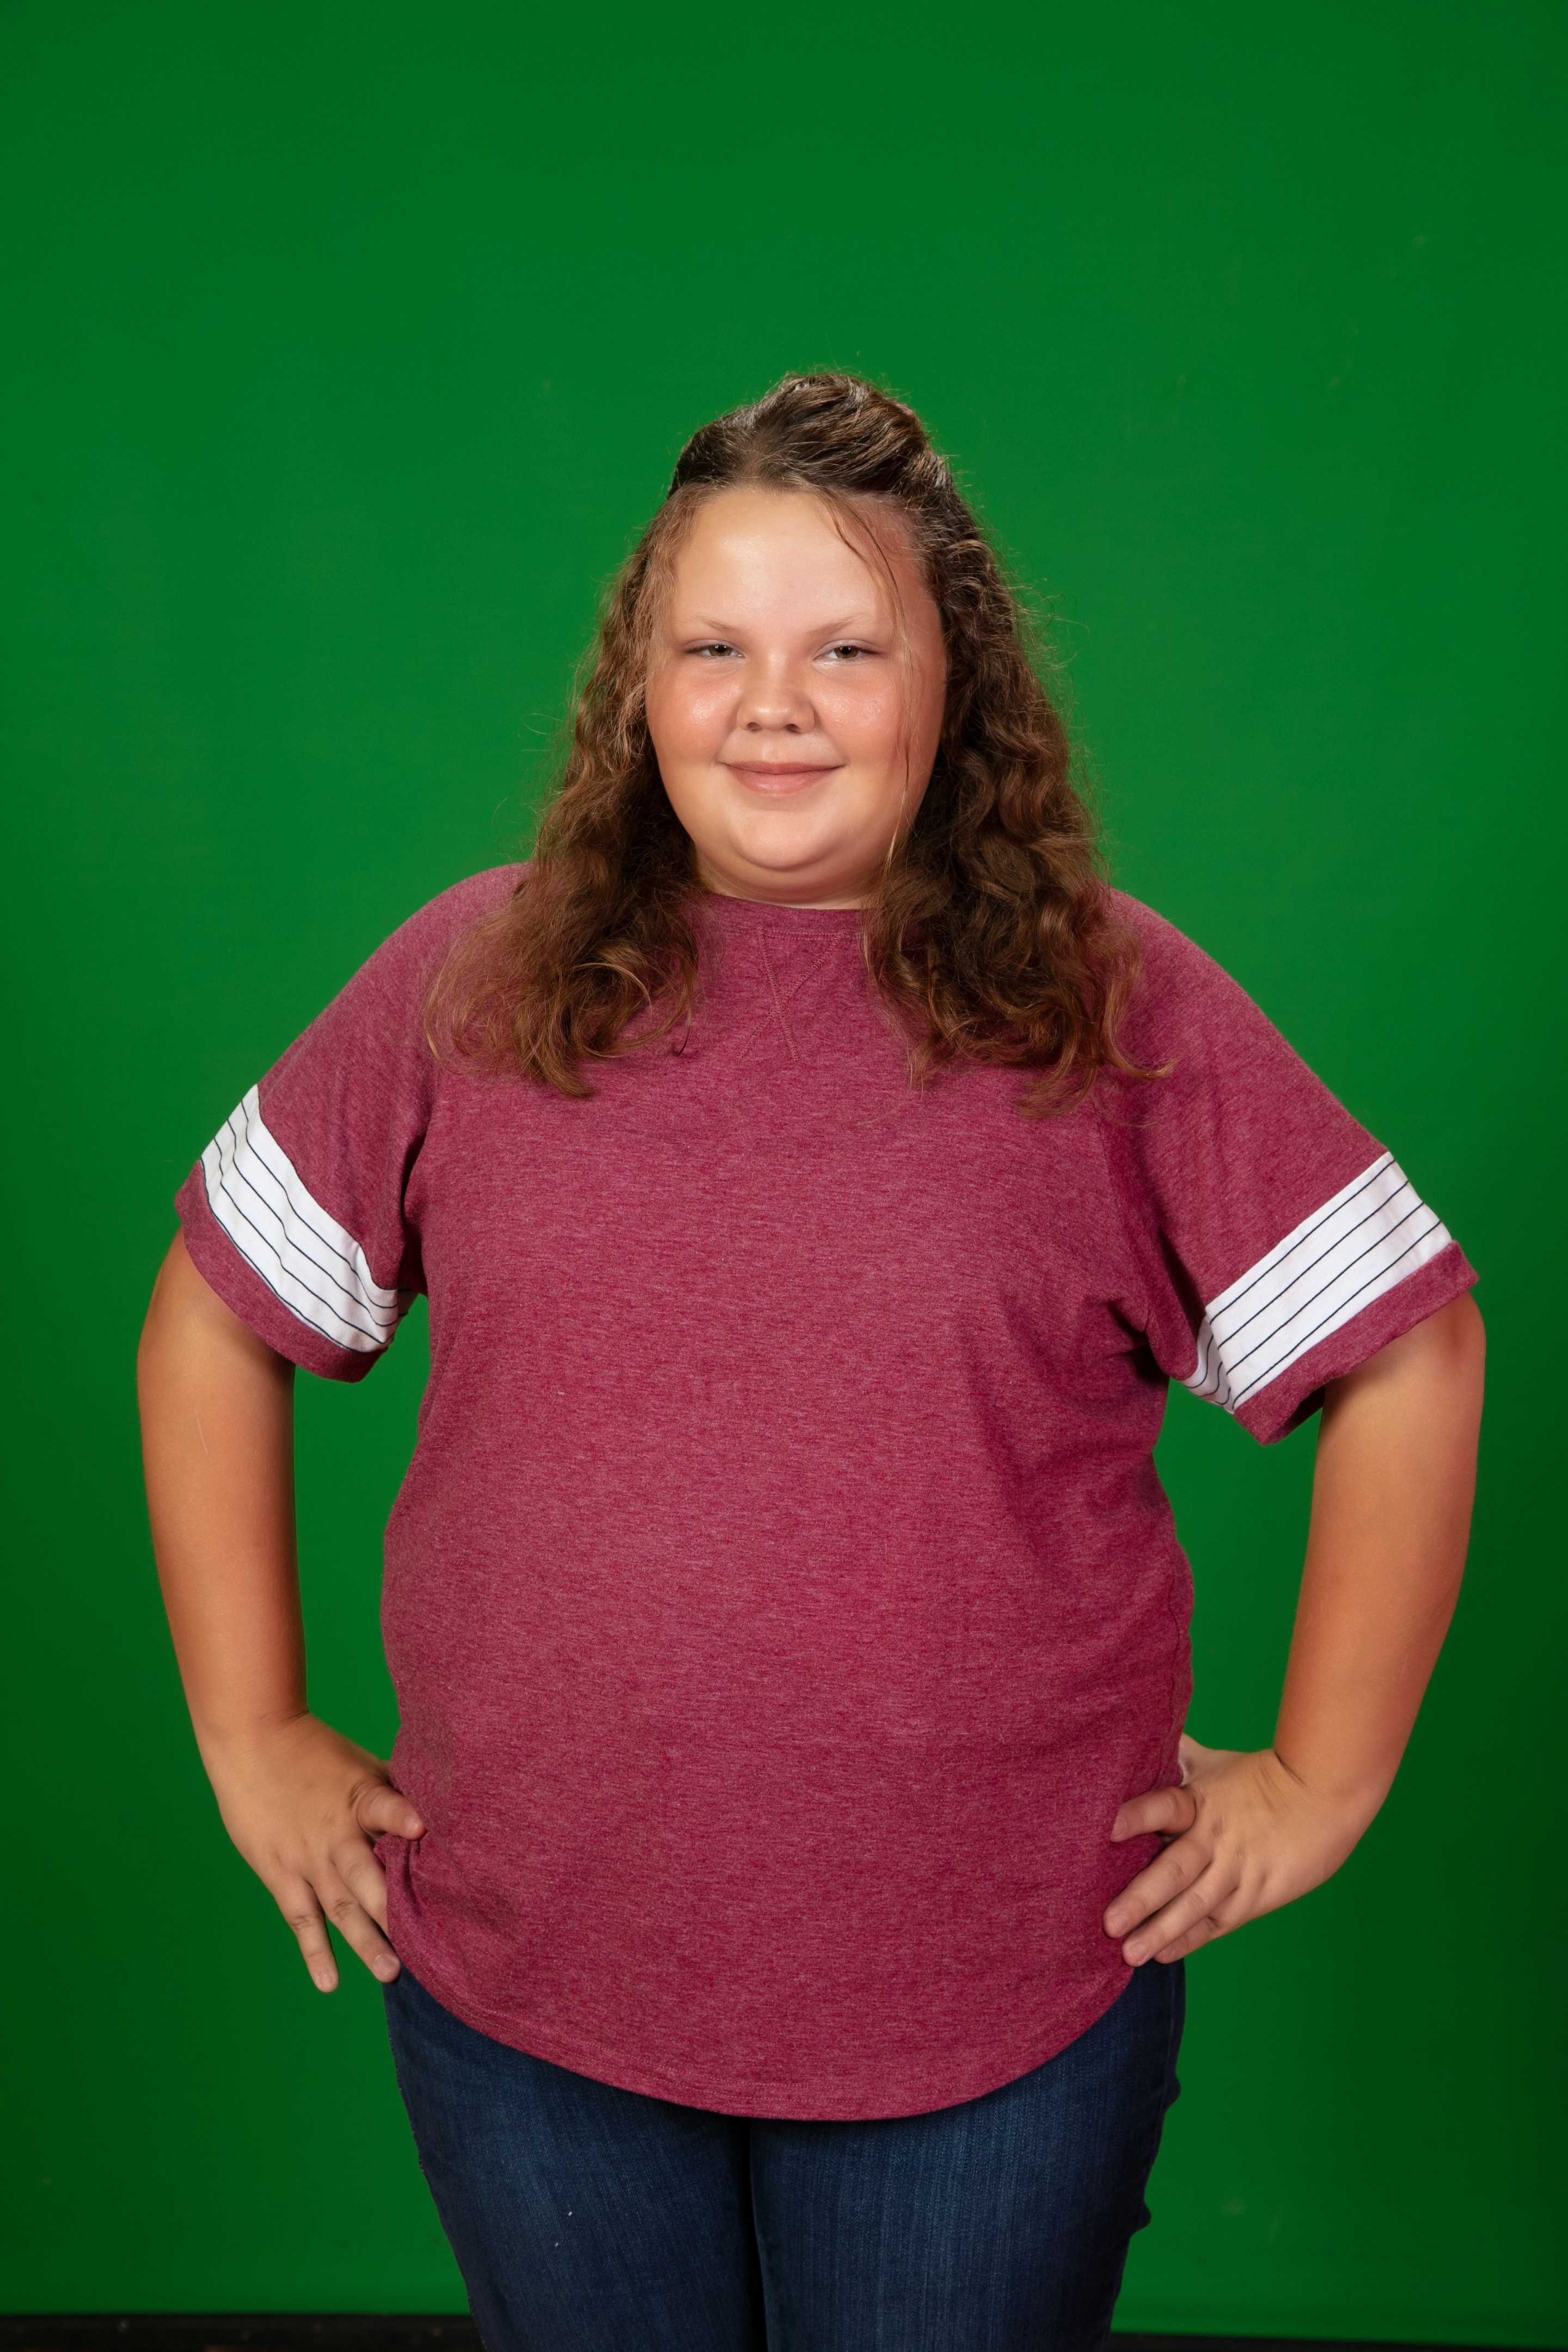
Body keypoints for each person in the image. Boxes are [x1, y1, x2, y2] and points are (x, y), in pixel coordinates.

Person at [137, 374, 1485, 2352]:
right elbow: (211, 1311)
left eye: (847, 647)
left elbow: (1410, 1351)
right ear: (642, 687)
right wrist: (251, 1732)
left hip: (995, 2003)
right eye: (717, 649)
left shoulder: (1105, 1005)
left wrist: (1321, 1779)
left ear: (958, 684)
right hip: (532, 1981)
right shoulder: (475, 978)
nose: (775, 705)